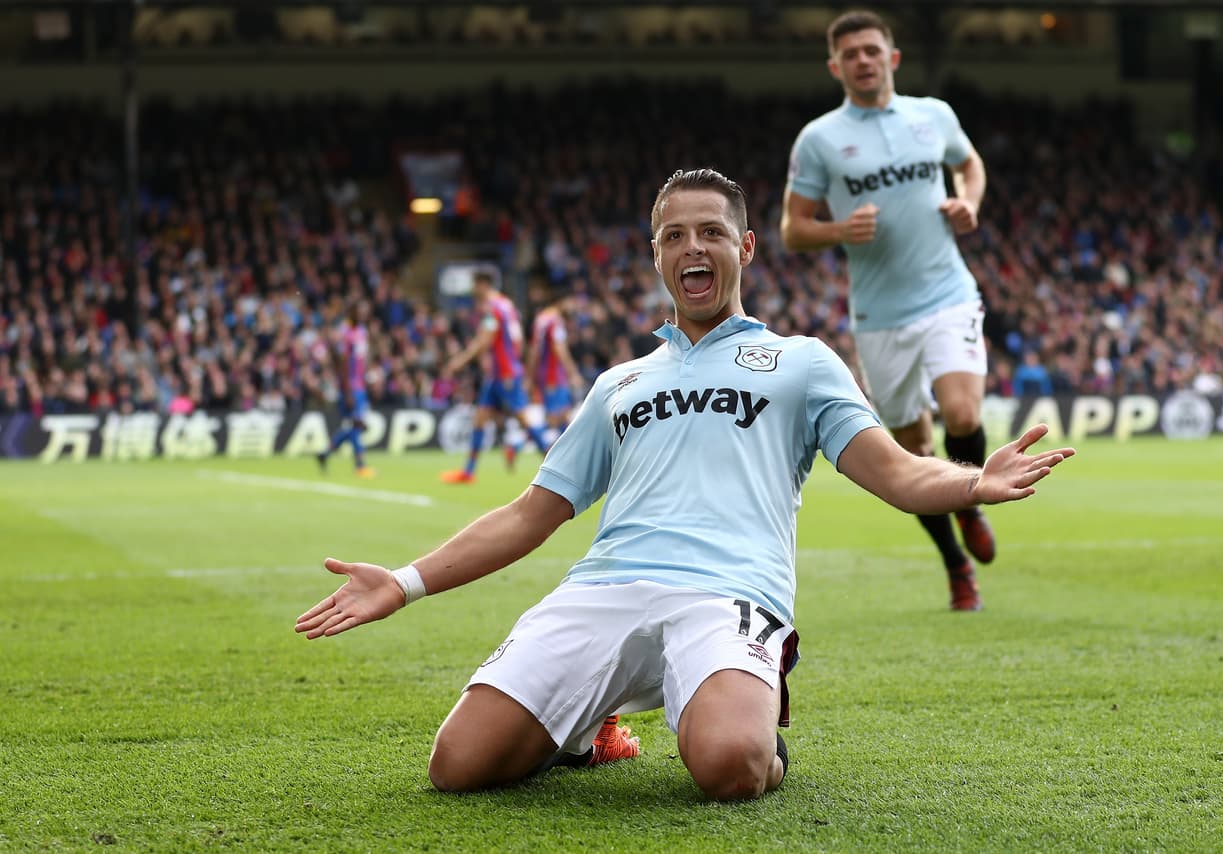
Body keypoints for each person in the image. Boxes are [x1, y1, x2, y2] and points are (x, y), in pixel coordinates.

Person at [295, 169, 1074, 801]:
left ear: (746, 246)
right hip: (602, 589)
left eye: (709, 232)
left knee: (731, 769)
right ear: (657, 256)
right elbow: (531, 514)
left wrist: (974, 480)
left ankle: (756, 704)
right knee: (457, 768)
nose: (691, 247)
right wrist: (401, 583)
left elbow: (897, 472)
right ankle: (585, 728)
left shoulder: (802, 361)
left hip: (728, 593)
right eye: (674, 235)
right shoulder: (620, 382)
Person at [781, 9, 996, 610]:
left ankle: (972, 498)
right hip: (880, 317)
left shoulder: (934, 116)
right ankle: (955, 562)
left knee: (960, 410)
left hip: (947, 292)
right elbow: (793, 230)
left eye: (872, 50)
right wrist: (839, 229)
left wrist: (968, 201)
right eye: (850, 54)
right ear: (835, 67)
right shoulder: (820, 138)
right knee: (912, 452)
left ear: (892, 57)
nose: (863, 61)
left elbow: (970, 164)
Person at [439, 271, 551, 483]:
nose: (473, 290)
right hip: (499, 372)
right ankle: (468, 472)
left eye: (474, 285)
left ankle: (553, 461)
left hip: (505, 373)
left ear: (483, 284)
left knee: (523, 419)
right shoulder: (507, 306)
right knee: (480, 418)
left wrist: (459, 361)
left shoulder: (494, 308)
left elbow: (484, 339)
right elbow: (517, 340)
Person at [316, 300, 376, 478]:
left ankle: (325, 453)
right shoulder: (346, 333)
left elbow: (362, 360)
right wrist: (348, 390)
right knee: (357, 424)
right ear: (352, 313)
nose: (364, 314)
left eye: (366, 311)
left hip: (360, 384)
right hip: (350, 386)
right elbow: (342, 364)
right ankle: (360, 466)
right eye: (360, 311)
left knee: (356, 425)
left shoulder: (363, 332)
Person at [524, 286, 585, 443]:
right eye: (570, 301)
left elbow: (534, 350)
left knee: (563, 415)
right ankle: (518, 444)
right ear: (562, 301)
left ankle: (568, 454)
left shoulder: (542, 318)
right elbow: (559, 349)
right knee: (555, 418)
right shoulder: (554, 321)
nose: (572, 306)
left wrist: (530, 375)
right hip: (554, 376)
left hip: (545, 374)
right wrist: (573, 372)